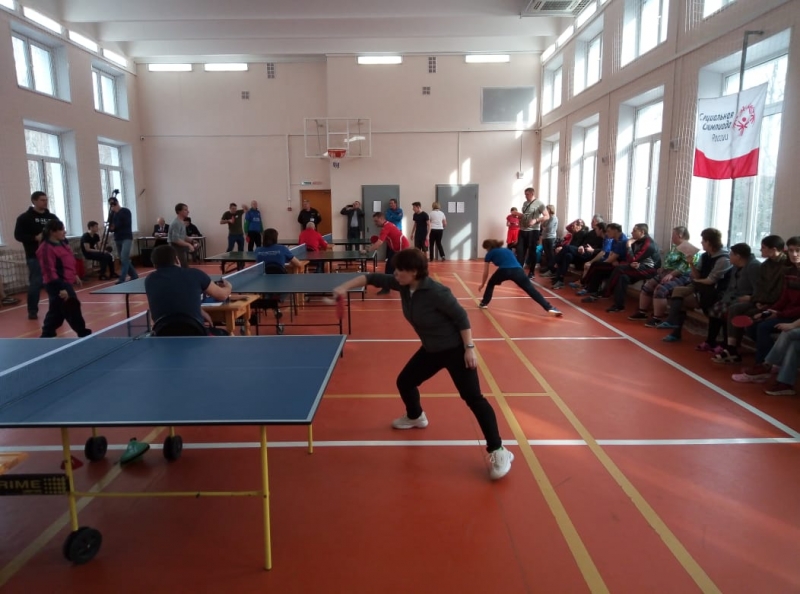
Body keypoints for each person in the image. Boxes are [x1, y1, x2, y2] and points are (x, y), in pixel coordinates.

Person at [332, 248, 513, 480]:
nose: (395, 273)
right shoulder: (404, 285)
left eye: (400, 270)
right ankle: (416, 416)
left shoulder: (437, 292)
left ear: (415, 272)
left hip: (456, 351)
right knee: (405, 382)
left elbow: (462, 318)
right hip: (431, 350)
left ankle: (499, 450)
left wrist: (469, 348)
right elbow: (370, 277)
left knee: (473, 398)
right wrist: (343, 287)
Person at [660, 228, 731, 343]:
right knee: (677, 291)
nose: (701, 242)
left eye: (703, 240)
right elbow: (696, 275)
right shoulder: (705, 256)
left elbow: (710, 281)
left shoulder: (723, 259)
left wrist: (696, 281)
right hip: (700, 285)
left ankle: (674, 329)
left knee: (681, 301)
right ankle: (672, 323)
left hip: (713, 291)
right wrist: (691, 263)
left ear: (709, 242)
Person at [626, 226, 698, 325]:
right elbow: (669, 260)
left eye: (673, 235)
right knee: (648, 286)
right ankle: (642, 312)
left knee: (660, 290)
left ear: (680, 235)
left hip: (681, 276)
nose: (671, 237)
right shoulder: (675, 247)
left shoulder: (688, 248)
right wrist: (663, 268)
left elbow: (685, 266)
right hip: (667, 272)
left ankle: (657, 318)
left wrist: (671, 274)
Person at [477, 239, 562, 316]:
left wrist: (482, 284)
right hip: (518, 270)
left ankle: (484, 303)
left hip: (504, 271)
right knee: (531, 290)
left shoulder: (489, 253)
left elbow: (486, 272)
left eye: (486, 248)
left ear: (488, 247)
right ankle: (549, 308)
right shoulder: (507, 250)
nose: (486, 250)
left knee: (491, 283)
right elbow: (513, 261)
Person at [36, 220, 91, 338]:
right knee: (71, 307)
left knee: (58, 311)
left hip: (65, 282)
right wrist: (60, 288)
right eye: (61, 230)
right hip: (56, 283)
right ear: (52, 232)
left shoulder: (62, 243)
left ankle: (47, 333)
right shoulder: (45, 248)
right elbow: (49, 271)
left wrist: (74, 274)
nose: (64, 232)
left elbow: (68, 260)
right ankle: (81, 332)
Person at [14, 191, 59, 319]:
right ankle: (32, 310)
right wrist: (34, 238)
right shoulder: (24, 218)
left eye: (46, 200)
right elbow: (18, 236)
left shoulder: (52, 217)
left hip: (52, 255)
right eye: (42, 200)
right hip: (34, 255)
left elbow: (60, 232)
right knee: (36, 282)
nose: (45, 202)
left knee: (54, 282)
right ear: (34, 201)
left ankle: (56, 307)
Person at [368, 212, 409, 294]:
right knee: (389, 268)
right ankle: (387, 288)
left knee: (399, 269)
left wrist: (367, 250)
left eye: (376, 221)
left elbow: (379, 243)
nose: (375, 223)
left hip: (402, 249)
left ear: (381, 219)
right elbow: (383, 240)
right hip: (395, 249)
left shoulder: (386, 227)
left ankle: (407, 287)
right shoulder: (387, 225)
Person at [516, 187, 548, 278]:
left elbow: (547, 216)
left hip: (533, 230)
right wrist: (519, 215)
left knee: (532, 251)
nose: (526, 196)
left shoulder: (539, 203)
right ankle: (519, 270)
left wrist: (536, 220)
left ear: (532, 194)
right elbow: (525, 215)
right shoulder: (525, 203)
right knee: (520, 251)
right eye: (525, 194)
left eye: (527, 194)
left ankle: (531, 272)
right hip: (523, 229)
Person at [108, 195, 138, 284]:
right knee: (123, 259)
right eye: (111, 205)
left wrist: (117, 214)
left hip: (126, 237)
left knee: (124, 257)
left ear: (117, 203)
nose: (112, 206)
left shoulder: (125, 211)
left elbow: (125, 222)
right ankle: (134, 275)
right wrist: (111, 228)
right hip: (118, 238)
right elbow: (111, 227)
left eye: (113, 204)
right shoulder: (112, 214)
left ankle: (122, 279)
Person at [168, 203, 195, 268]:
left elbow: (183, 236)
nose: (188, 211)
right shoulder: (176, 223)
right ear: (179, 211)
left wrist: (192, 241)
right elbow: (175, 240)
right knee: (182, 267)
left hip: (180, 248)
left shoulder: (182, 222)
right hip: (175, 248)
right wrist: (189, 245)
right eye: (185, 210)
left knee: (184, 266)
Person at [541, 204, 558, 275]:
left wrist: (544, 226)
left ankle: (552, 269)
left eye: (547, 209)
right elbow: (542, 225)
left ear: (550, 210)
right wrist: (543, 226)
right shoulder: (548, 217)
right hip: (545, 237)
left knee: (550, 254)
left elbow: (549, 228)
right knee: (547, 254)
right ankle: (548, 267)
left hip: (551, 238)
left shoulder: (554, 218)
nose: (545, 211)